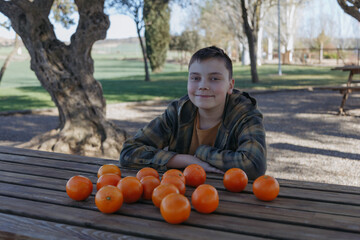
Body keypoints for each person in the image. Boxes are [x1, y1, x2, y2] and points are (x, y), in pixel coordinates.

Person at [120, 46, 266, 179]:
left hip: (232, 197)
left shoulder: (245, 114)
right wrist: (188, 160)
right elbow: (129, 152)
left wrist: (202, 152)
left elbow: (254, 165)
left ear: (230, 85)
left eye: (214, 78)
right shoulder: (177, 112)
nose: (203, 86)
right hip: (179, 194)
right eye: (196, 78)